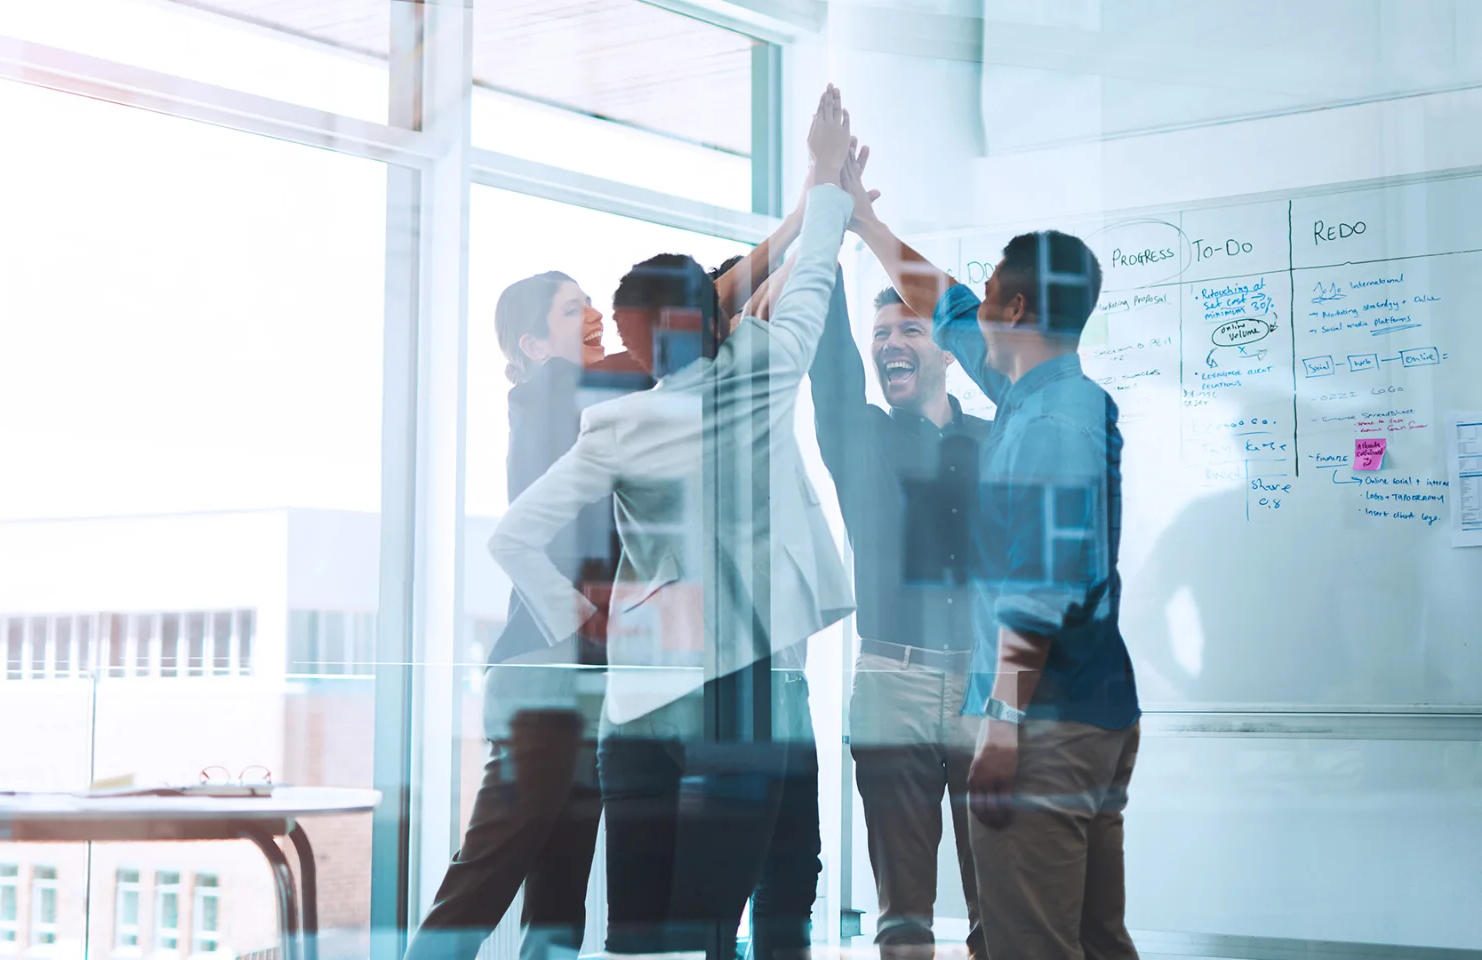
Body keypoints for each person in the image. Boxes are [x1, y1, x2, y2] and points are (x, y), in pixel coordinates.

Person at [489, 85, 858, 960]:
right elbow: (811, 276)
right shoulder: (767, 369)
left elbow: (511, 537)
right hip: (741, 695)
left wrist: (588, 619)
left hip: (640, 701)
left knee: (639, 938)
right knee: (715, 923)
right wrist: (826, 187)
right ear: (716, 324)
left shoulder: (614, 421)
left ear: (638, 340)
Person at [839, 147, 1142, 960]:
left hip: (1044, 718)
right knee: (1092, 937)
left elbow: (1039, 586)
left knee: (1029, 942)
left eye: (989, 298)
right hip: (1090, 705)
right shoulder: (1045, 393)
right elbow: (946, 302)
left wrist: (1001, 723)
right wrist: (865, 220)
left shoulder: (1045, 423)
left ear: (1011, 309)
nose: (969, 316)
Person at [406, 271, 637, 960]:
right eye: (574, 310)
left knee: (561, 890)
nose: (593, 316)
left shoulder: (584, 404)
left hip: (585, 676)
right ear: (533, 346)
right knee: (489, 870)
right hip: (543, 674)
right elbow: (660, 358)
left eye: (591, 303)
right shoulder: (549, 394)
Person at [808, 267, 989, 957]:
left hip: (985, 692)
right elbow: (829, 370)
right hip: (892, 685)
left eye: (910, 329)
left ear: (948, 350)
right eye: (880, 333)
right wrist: (830, 226)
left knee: (1001, 906)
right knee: (903, 916)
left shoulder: (999, 440)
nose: (891, 344)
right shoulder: (863, 441)